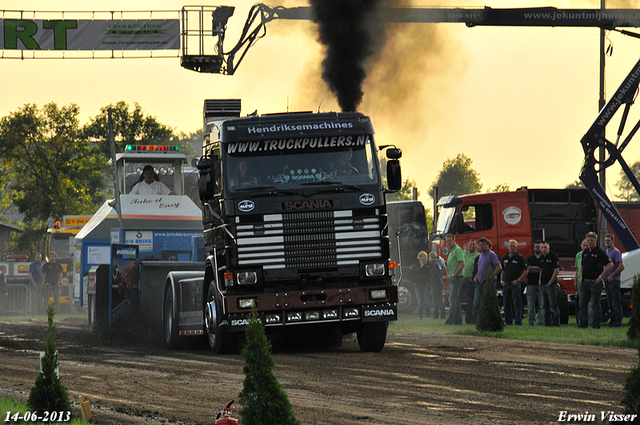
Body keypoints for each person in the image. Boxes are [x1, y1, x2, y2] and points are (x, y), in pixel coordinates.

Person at [579, 232, 613, 329]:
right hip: (585, 281)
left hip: (595, 282)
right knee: (582, 304)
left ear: (595, 241)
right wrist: (581, 277)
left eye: (591, 240)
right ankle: (583, 324)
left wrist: (600, 277)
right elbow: (582, 266)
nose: (589, 242)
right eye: (588, 240)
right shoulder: (585, 252)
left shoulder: (599, 252)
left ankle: (596, 325)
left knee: (595, 304)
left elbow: (610, 265)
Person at [470, 237, 502, 324]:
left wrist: (491, 277)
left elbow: (499, 267)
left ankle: (488, 320)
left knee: (487, 301)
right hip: (480, 281)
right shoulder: (480, 255)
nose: (482, 246)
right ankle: (474, 320)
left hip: (488, 282)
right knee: (477, 301)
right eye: (480, 245)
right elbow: (480, 269)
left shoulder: (492, 254)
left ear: (487, 245)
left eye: (483, 244)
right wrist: (476, 276)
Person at [500, 239, 528, 326]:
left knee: (517, 303)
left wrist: (519, 280)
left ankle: (518, 322)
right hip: (506, 284)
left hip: (515, 284)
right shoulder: (505, 258)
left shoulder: (520, 258)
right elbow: (502, 270)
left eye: (514, 247)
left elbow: (525, 271)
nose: (512, 248)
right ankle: (508, 322)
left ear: (516, 248)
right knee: (506, 303)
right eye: (510, 246)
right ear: (508, 247)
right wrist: (501, 280)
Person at [603, 233, 625, 327]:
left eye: (609, 240)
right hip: (607, 280)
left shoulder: (616, 252)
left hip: (614, 280)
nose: (607, 242)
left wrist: (612, 275)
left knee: (615, 302)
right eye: (606, 240)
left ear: (613, 241)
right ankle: (612, 320)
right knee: (610, 302)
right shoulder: (607, 252)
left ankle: (617, 321)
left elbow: (621, 266)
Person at [444, 234, 465, 325]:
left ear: (454, 241)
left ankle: (450, 320)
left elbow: (462, 263)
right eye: (447, 241)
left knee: (452, 300)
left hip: (456, 278)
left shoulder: (457, 250)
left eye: (450, 241)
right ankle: (458, 320)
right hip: (452, 278)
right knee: (455, 300)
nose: (448, 243)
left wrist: (454, 274)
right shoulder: (451, 251)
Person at [540, 241, 561, 327]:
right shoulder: (541, 258)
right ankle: (547, 323)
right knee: (545, 305)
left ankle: (556, 323)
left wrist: (550, 282)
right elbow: (541, 270)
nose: (543, 249)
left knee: (553, 304)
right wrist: (539, 280)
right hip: (543, 284)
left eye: (545, 247)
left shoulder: (553, 256)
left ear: (549, 248)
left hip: (551, 285)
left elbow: (556, 271)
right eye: (542, 248)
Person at [526, 240, 545, 326]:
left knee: (542, 305)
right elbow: (529, 269)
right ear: (533, 248)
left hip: (541, 284)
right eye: (536, 246)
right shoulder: (530, 258)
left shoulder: (544, 258)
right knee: (530, 305)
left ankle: (541, 322)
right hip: (531, 284)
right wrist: (538, 269)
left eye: (539, 247)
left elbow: (544, 270)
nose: (538, 248)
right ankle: (531, 322)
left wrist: (536, 269)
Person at [461, 239, 480, 324]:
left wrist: (474, 278)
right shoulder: (462, 253)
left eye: (474, 244)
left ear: (476, 246)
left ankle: (469, 319)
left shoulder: (478, 255)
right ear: (467, 245)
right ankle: (457, 318)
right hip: (461, 280)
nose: (472, 245)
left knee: (470, 301)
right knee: (457, 299)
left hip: (470, 281)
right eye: (470, 244)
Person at [574, 239, 590, 327]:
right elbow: (577, 269)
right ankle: (580, 321)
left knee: (588, 303)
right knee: (580, 303)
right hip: (580, 281)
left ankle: (589, 321)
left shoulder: (589, 255)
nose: (585, 247)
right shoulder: (578, 255)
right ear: (581, 246)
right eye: (584, 245)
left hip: (587, 280)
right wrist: (575, 280)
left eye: (586, 246)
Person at [412, 251, 431, 320]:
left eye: (424, 257)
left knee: (426, 300)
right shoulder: (415, 265)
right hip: (417, 285)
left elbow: (431, 274)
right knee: (419, 300)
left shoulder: (429, 265)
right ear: (419, 258)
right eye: (421, 257)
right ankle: (420, 315)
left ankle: (427, 316)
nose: (422, 258)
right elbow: (412, 274)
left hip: (426, 285)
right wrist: (413, 282)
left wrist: (429, 282)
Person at [429, 252, 446, 320]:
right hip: (440, 283)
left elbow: (434, 274)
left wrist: (431, 282)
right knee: (440, 299)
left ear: (431, 257)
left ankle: (437, 315)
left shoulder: (433, 265)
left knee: (436, 300)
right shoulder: (438, 264)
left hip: (436, 284)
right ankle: (441, 314)